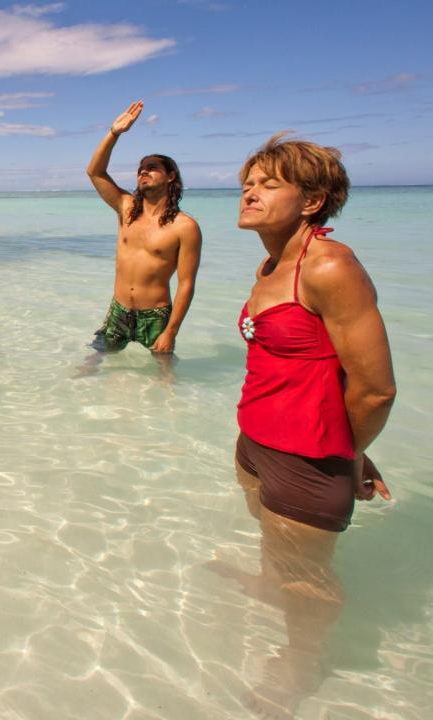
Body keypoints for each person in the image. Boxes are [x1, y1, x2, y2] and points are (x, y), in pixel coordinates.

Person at [219, 135, 396, 718]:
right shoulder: (271, 262)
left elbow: (375, 388)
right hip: (257, 443)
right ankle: (270, 588)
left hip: (307, 461)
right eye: (250, 180)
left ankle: (305, 660)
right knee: (280, 556)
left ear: (313, 199)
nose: (250, 191)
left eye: (270, 184)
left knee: (307, 580)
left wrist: (347, 456)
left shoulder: (329, 265)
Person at [81, 100, 202, 374]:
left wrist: (171, 331)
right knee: (90, 366)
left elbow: (186, 284)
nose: (143, 171)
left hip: (156, 315)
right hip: (119, 309)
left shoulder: (185, 227)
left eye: (152, 167)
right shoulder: (125, 208)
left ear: (171, 176)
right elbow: (94, 172)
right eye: (140, 168)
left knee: (165, 374)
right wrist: (114, 133)